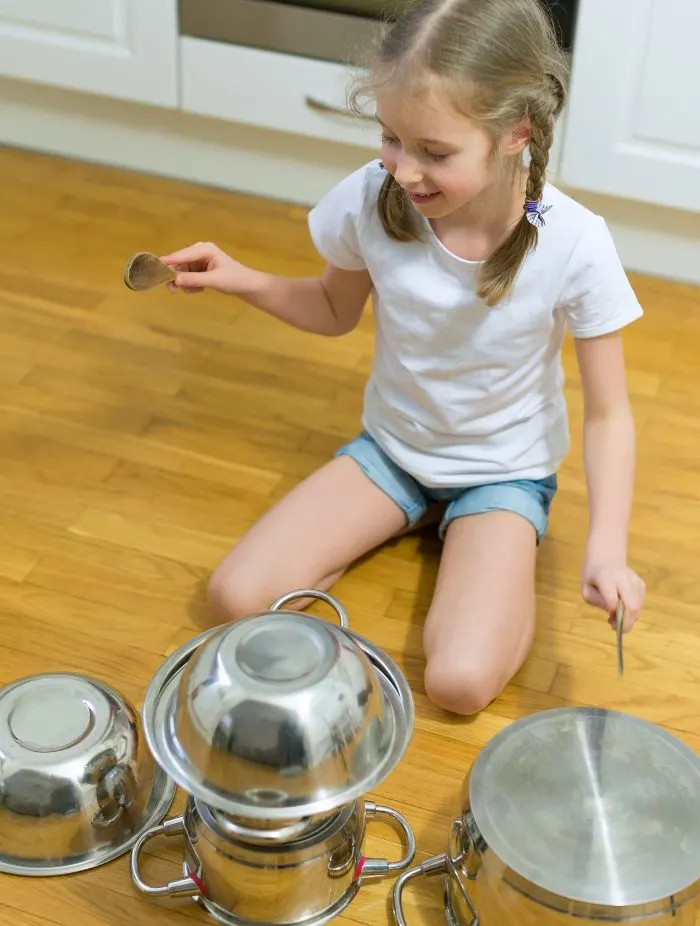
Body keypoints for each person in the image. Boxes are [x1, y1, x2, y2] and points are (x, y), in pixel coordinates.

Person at [161, 0, 646, 716]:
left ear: (517, 134)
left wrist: (606, 549)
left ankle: (501, 570)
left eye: (435, 152)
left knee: (458, 683)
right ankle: (425, 531)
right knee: (234, 596)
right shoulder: (374, 198)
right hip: (392, 450)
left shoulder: (574, 242)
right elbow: (333, 310)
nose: (405, 170)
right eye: (391, 137)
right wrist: (240, 277)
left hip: (501, 473)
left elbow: (610, 415)